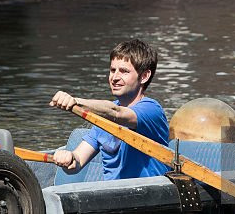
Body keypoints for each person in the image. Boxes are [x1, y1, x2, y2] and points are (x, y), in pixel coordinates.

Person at [49, 39, 170, 180]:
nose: (115, 77)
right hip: (113, 196)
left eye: (124, 71)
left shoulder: (151, 110)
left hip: (150, 197)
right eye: (113, 70)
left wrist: (75, 102)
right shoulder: (103, 117)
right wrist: (69, 158)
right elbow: (77, 162)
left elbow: (115, 112)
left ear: (144, 76)